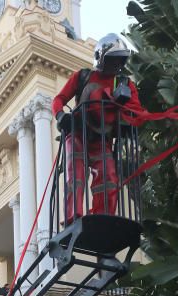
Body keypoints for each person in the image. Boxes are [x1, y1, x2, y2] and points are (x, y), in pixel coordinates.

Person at [52, 33, 142, 220]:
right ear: (102, 58)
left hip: (102, 140)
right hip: (78, 134)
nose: (117, 64)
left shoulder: (125, 84)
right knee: (75, 175)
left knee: (109, 177)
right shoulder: (83, 77)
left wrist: (124, 119)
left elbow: (136, 113)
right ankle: (72, 217)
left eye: (120, 60)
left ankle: (103, 217)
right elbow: (59, 99)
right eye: (113, 59)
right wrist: (61, 116)